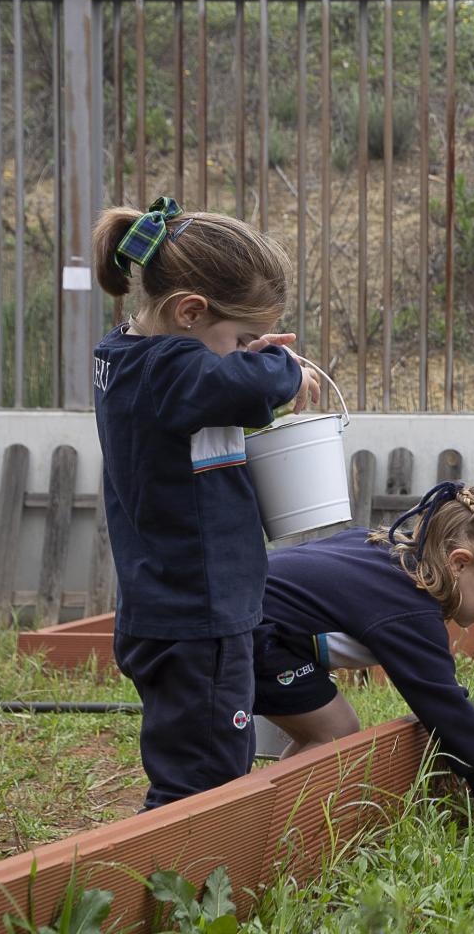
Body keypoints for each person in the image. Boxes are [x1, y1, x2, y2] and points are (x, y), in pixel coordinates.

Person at [92, 196, 320, 808]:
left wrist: (243, 350)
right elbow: (228, 383)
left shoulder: (135, 359)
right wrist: (284, 371)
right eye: (243, 336)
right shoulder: (169, 372)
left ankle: (182, 878)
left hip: (176, 608)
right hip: (198, 618)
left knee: (205, 761)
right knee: (203, 781)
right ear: (190, 311)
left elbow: (216, 385)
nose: (252, 350)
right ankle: (179, 888)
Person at [254, 481, 474, 819]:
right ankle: (260, 820)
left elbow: (439, 688)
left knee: (323, 733)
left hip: (246, 613)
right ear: (459, 564)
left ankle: (271, 811)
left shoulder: (391, 554)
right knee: (334, 731)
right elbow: (443, 705)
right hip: (255, 632)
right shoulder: (409, 607)